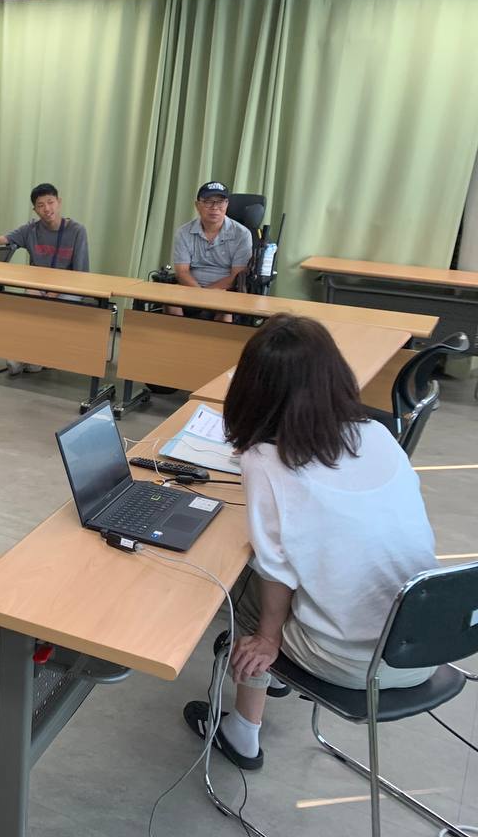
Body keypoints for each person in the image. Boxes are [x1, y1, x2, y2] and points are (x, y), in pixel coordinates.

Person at [182, 315, 438, 771]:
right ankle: (276, 670)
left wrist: (268, 637)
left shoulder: (265, 460)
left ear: (252, 389)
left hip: (355, 664)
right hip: (426, 647)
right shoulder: (379, 436)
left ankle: (243, 731)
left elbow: (274, 567)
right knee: (309, 567)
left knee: (241, 590)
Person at [0, 183, 91, 374]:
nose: (47, 209)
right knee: (29, 303)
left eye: (50, 202)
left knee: (50, 308)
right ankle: (34, 356)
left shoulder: (77, 230)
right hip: (39, 287)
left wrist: (56, 291)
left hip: (69, 289)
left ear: (59, 202)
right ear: (35, 209)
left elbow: (81, 275)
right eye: (40, 205)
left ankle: (27, 356)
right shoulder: (30, 230)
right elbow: (0, 240)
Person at [167, 180, 252, 322]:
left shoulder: (242, 234)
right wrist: (200, 295)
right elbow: (182, 272)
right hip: (190, 287)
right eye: (208, 201)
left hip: (225, 290)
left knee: (226, 309)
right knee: (169, 301)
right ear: (197, 205)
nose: (215, 207)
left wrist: (207, 295)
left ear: (227, 205)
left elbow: (236, 277)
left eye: (220, 202)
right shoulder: (183, 232)